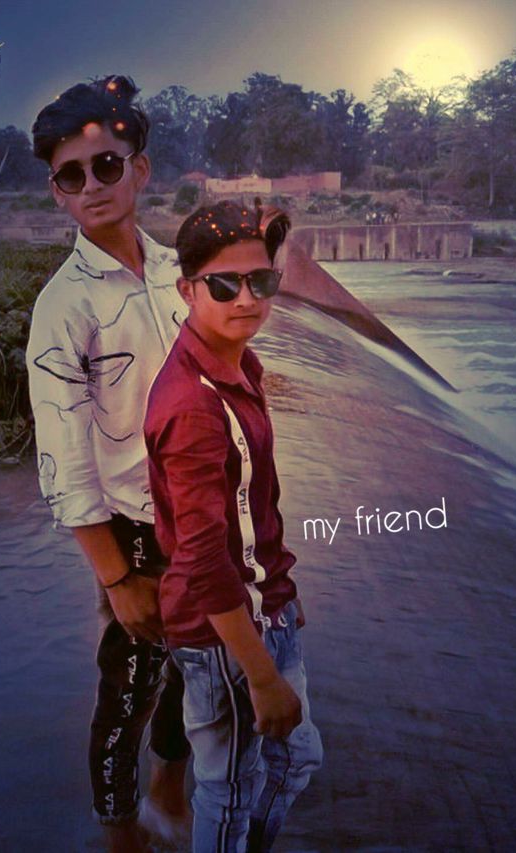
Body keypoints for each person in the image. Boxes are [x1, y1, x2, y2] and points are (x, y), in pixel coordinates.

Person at [26, 75, 191, 852]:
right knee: (127, 690)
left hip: (203, 519)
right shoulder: (65, 307)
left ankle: (170, 790)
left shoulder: (179, 272)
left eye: (106, 165)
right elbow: (62, 457)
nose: (91, 184)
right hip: (134, 531)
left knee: (193, 665)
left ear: (139, 169)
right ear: (57, 191)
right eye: (71, 174)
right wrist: (119, 578)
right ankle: (120, 833)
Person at [144, 201, 324, 852]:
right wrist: (263, 675)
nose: (247, 298)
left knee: (294, 759)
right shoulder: (194, 405)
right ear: (186, 290)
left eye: (261, 280)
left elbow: (254, 509)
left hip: (263, 610)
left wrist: (280, 595)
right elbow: (202, 559)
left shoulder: (238, 365)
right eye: (224, 284)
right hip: (223, 637)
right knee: (228, 789)